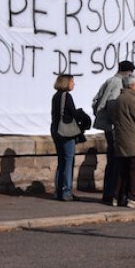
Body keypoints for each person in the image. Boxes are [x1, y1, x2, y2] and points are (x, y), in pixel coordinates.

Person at [92, 59, 135, 205]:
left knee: (112, 161)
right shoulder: (118, 83)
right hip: (113, 128)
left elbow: (96, 100)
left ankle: (109, 193)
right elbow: (112, 103)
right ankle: (112, 194)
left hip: (106, 126)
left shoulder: (109, 80)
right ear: (128, 72)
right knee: (116, 162)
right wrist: (117, 121)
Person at [111, 77, 135, 208]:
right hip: (132, 139)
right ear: (132, 85)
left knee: (122, 170)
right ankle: (133, 198)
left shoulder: (119, 98)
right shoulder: (131, 98)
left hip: (121, 138)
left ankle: (117, 197)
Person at [50, 74, 79, 202]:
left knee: (61, 161)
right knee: (68, 160)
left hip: (56, 130)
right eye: (72, 81)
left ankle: (58, 190)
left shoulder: (56, 96)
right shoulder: (66, 96)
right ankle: (66, 191)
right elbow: (73, 112)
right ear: (66, 82)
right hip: (65, 131)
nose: (74, 84)